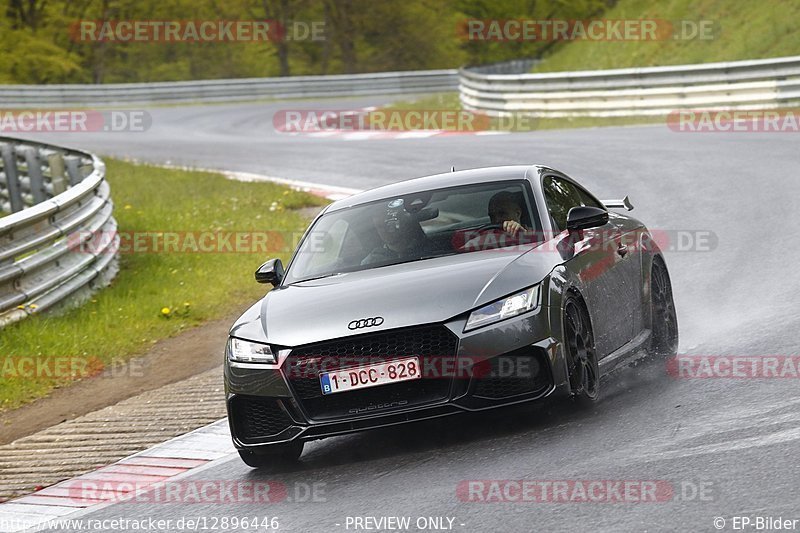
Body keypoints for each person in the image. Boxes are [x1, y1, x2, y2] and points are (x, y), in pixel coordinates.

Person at [361, 201, 432, 265]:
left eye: (388, 225)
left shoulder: (429, 250)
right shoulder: (371, 261)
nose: (384, 230)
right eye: (379, 227)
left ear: (402, 224)